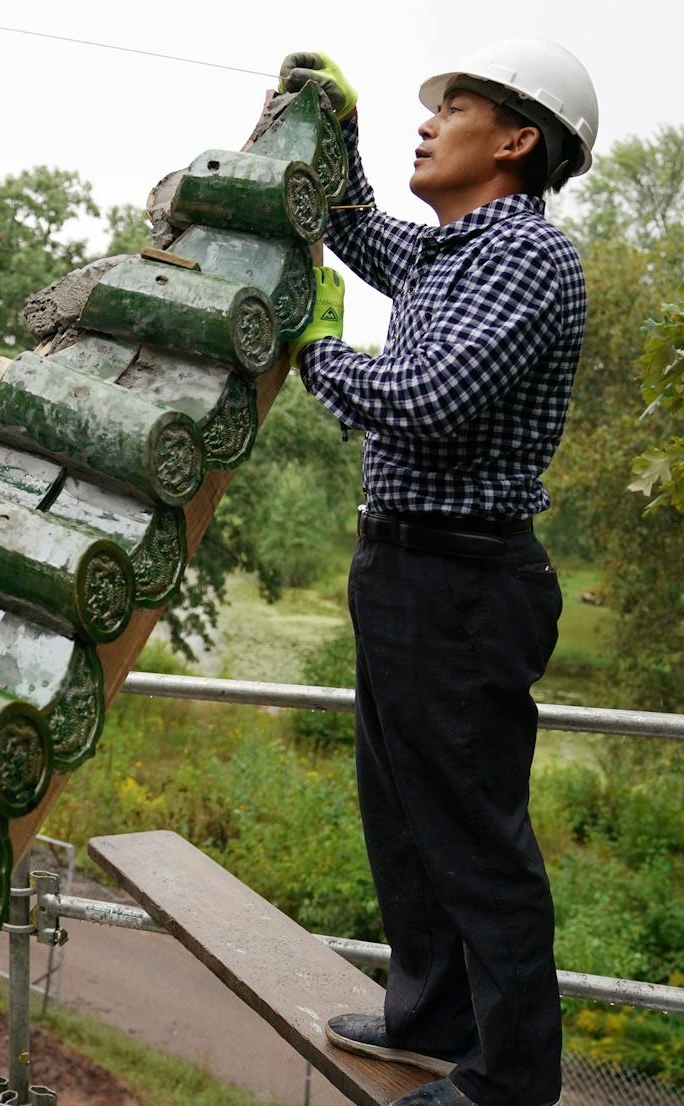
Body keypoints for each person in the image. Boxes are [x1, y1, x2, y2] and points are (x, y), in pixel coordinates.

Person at [277, 41, 599, 1106]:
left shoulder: (521, 258)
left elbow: (418, 396)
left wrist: (316, 342)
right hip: (409, 571)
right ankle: (432, 1017)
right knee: (404, 815)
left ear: (514, 140)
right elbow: (359, 229)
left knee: (470, 832)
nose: (428, 120)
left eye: (450, 106)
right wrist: (329, 129)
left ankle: (509, 1078)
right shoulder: (452, 252)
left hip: (463, 585)